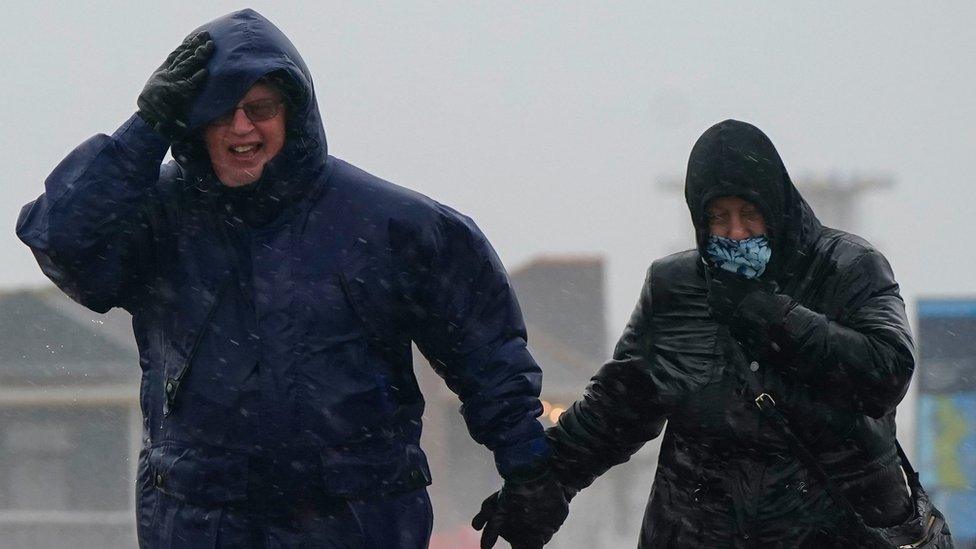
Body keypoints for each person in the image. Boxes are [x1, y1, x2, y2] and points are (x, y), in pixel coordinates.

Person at [17, 9, 569, 549]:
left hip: (356, 522)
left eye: (260, 108)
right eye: (219, 110)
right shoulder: (159, 220)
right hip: (200, 523)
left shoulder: (397, 229)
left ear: (293, 114)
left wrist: (528, 472)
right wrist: (143, 130)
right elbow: (62, 242)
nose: (241, 127)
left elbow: (487, 355)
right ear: (189, 122)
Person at [476, 119, 925, 547]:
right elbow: (618, 407)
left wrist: (765, 312)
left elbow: (884, 374)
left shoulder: (848, 268)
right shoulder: (676, 287)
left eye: (750, 214)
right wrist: (543, 486)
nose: (735, 232)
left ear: (777, 208)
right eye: (718, 217)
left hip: (834, 532)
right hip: (697, 531)